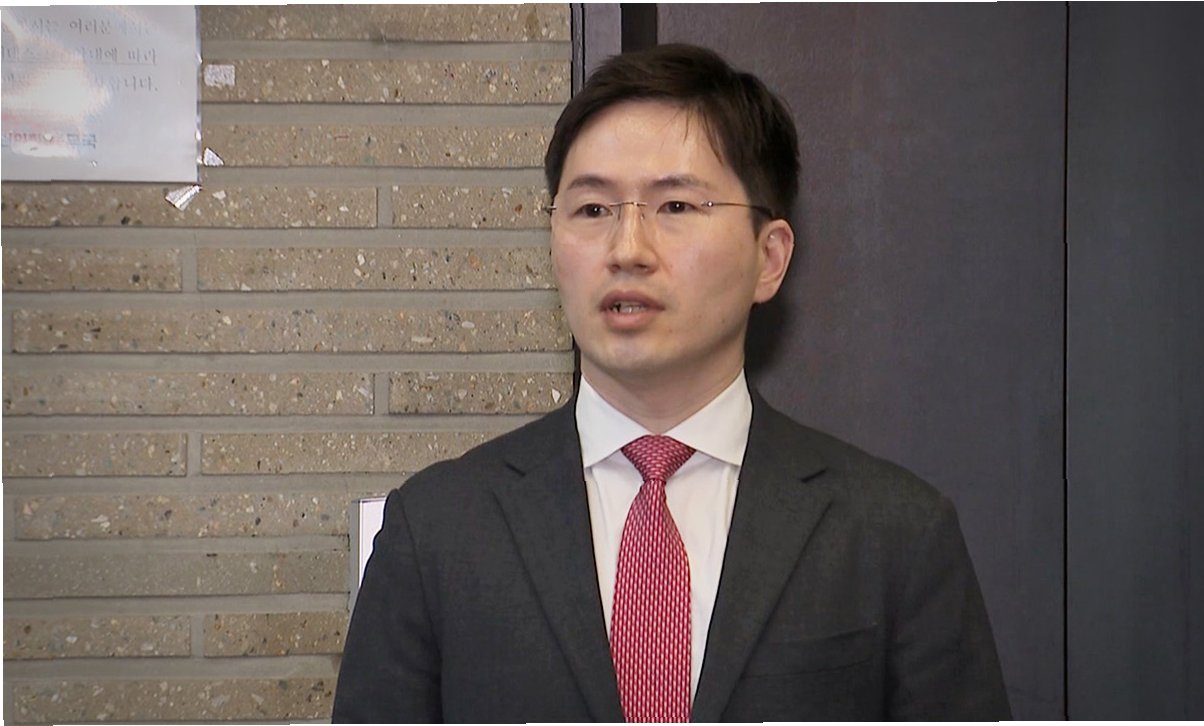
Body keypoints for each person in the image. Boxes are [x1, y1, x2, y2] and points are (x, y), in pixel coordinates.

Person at [332, 43, 1010, 723]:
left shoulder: (895, 533)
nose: (627, 249)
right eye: (593, 210)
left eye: (676, 206)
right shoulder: (436, 531)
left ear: (769, 258)